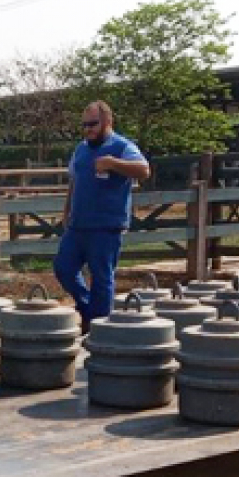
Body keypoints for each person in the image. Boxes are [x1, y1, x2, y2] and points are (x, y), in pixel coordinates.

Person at [53, 101, 150, 331]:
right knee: (63, 267)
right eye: (85, 125)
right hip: (78, 224)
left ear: (108, 121)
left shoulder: (122, 146)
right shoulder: (81, 149)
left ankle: (100, 327)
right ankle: (87, 308)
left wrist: (113, 163)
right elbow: (74, 181)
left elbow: (144, 170)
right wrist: (66, 210)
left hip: (106, 225)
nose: (88, 129)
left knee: (102, 277)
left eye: (93, 124)